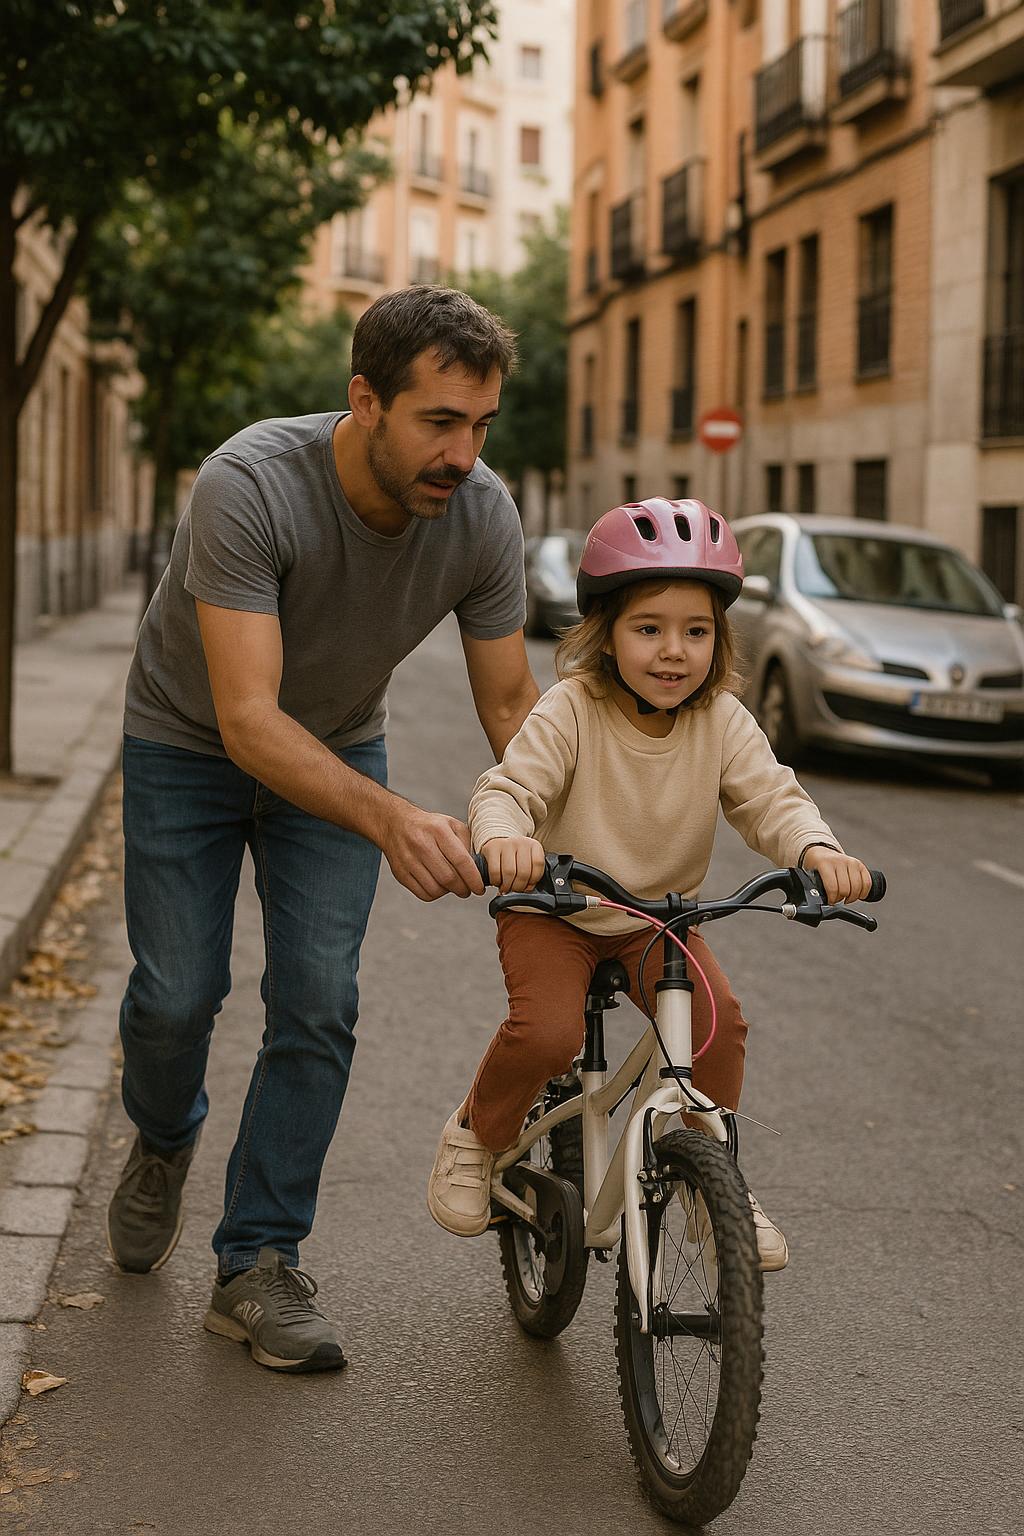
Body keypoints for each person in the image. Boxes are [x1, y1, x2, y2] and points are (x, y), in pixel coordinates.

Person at [107, 286, 541, 1372]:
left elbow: (511, 706)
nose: (463, 454)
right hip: (187, 742)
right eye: (439, 421)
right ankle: (163, 1135)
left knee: (318, 1000)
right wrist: (394, 820)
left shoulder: (482, 515)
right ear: (366, 400)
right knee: (175, 996)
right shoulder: (250, 484)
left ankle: (258, 1260)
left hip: (340, 742)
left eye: (481, 424)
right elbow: (248, 721)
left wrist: (575, 823)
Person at [427, 496, 872, 1270]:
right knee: (549, 1034)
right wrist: (504, 839)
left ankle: (710, 1180)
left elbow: (773, 798)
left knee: (719, 1028)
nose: (674, 652)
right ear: (605, 633)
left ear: (720, 638)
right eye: (649, 629)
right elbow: (509, 789)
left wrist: (817, 850)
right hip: (557, 907)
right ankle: (479, 1132)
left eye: (696, 632)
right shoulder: (572, 709)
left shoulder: (721, 720)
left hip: (656, 921)